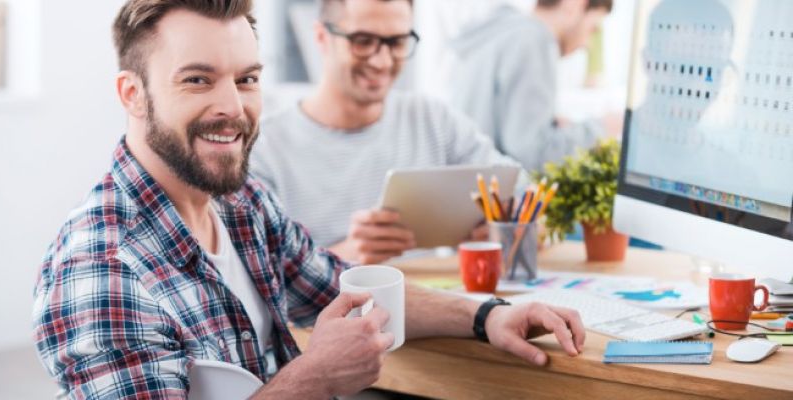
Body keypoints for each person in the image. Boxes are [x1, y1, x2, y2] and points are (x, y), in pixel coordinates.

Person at [32, 1, 584, 398]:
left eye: (246, 79)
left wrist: (487, 316)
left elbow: (346, 287)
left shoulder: (241, 204)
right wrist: (314, 378)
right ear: (133, 93)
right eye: (198, 80)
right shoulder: (101, 271)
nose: (233, 106)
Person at [250, 0, 518, 265]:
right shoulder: (265, 149)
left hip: (439, 297)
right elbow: (263, 277)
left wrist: (503, 224)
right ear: (322, 38)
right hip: (342, 304)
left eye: (396, 42)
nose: (382, 61)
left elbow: (519, 189)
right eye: (363, 41)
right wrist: (344, 256)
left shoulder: (432, 119)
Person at [448, 0, 617, 173]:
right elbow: (534, 154)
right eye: (593, 29)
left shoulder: (500, 31)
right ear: (574, 5)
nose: (587, 44)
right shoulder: (533, 38)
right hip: (492, 193)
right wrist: (603, 128)